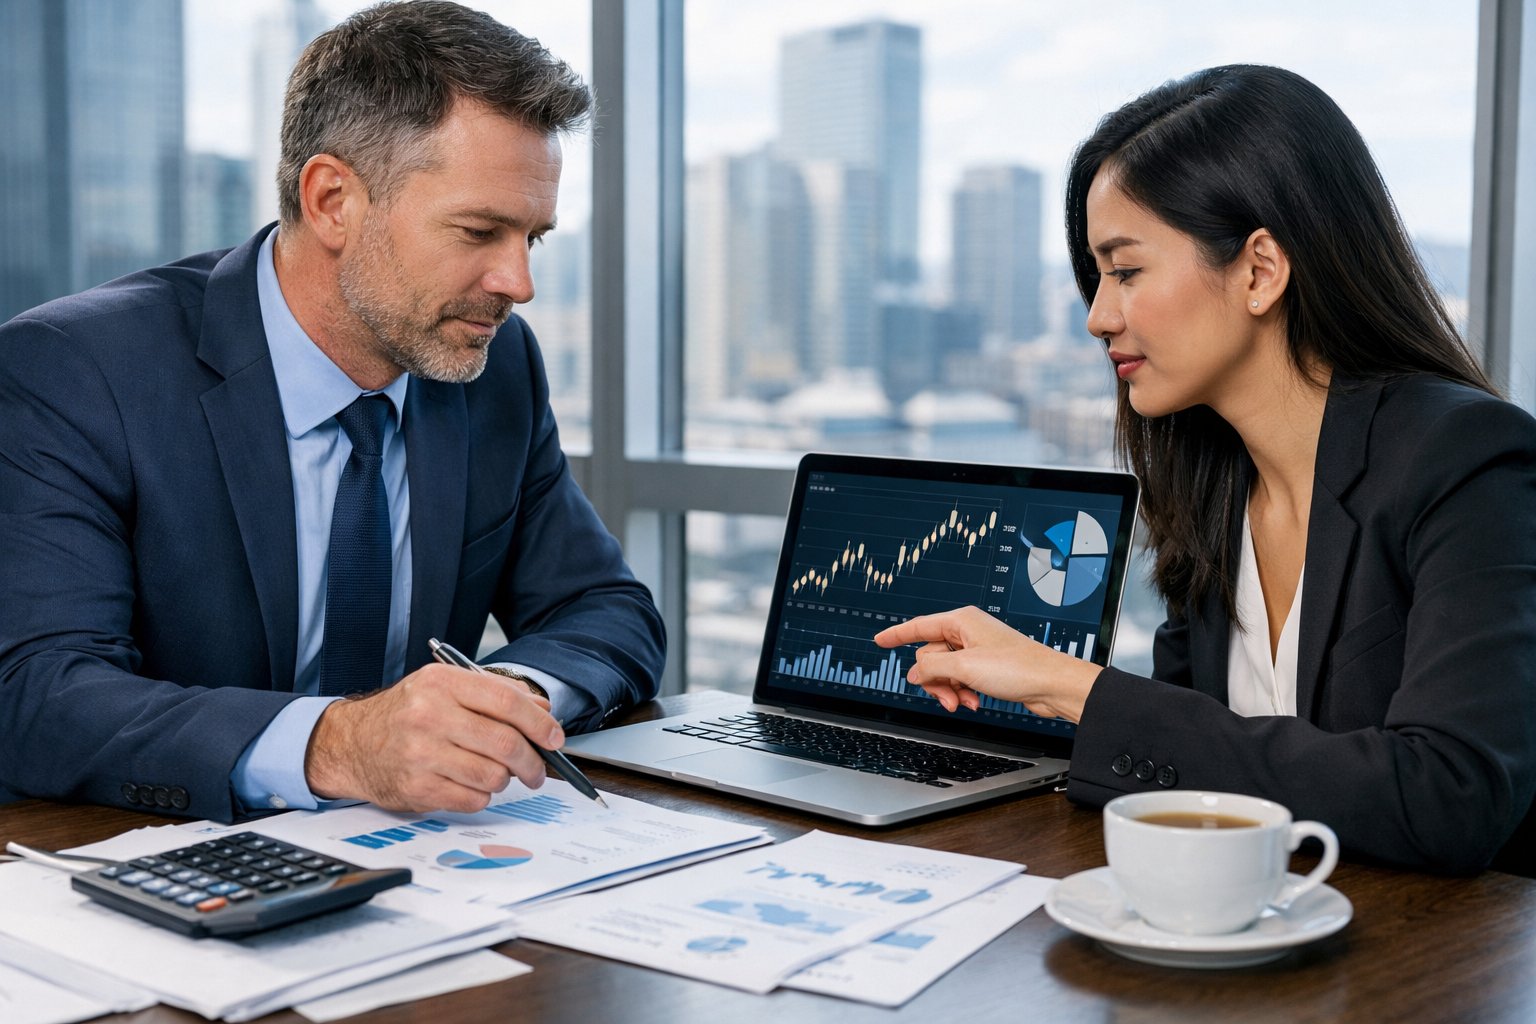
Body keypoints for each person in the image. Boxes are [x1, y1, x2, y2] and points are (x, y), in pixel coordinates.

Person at [0, 1, 664, 823]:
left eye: (533, 238)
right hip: (148, 861)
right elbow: (38, 693)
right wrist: (342, 746)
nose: (517, 284)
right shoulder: (77, 371)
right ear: (332, 200)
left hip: (425, 865)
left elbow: (607, 609)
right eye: (479, 230)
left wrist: (501, 701)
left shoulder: (496, 369)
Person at [875, 64, 1536, 875]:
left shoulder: (1467, 460)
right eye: (1096, 277)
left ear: (1260, 270)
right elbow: (1198, 762)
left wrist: (1078, 691)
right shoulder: (1212, 483)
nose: (1096, 317)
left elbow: (1450, 796)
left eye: (1125, 271)